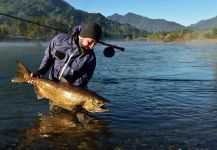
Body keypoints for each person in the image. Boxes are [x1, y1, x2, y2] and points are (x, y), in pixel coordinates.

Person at [29, 22, 102, 88]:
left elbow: (83, 81)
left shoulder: (90, 59)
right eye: (90, 42)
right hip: (52, 86)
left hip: (71, 94)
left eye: (95, 43)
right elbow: (48, 58)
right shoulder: (58, 40)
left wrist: (68, 92)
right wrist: (40, 72)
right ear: (82, 36)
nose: (92, 46)